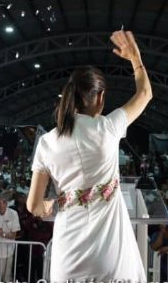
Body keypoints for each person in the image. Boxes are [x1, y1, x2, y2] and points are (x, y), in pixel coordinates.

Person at [27, 30, 153, 282]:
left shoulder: (46, 142)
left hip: (67, 256)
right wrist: (135, 59)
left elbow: (34, 206)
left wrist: (51, 204)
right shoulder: (108, 127)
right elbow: (145, 94)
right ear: (100, 97)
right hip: (109, 258)